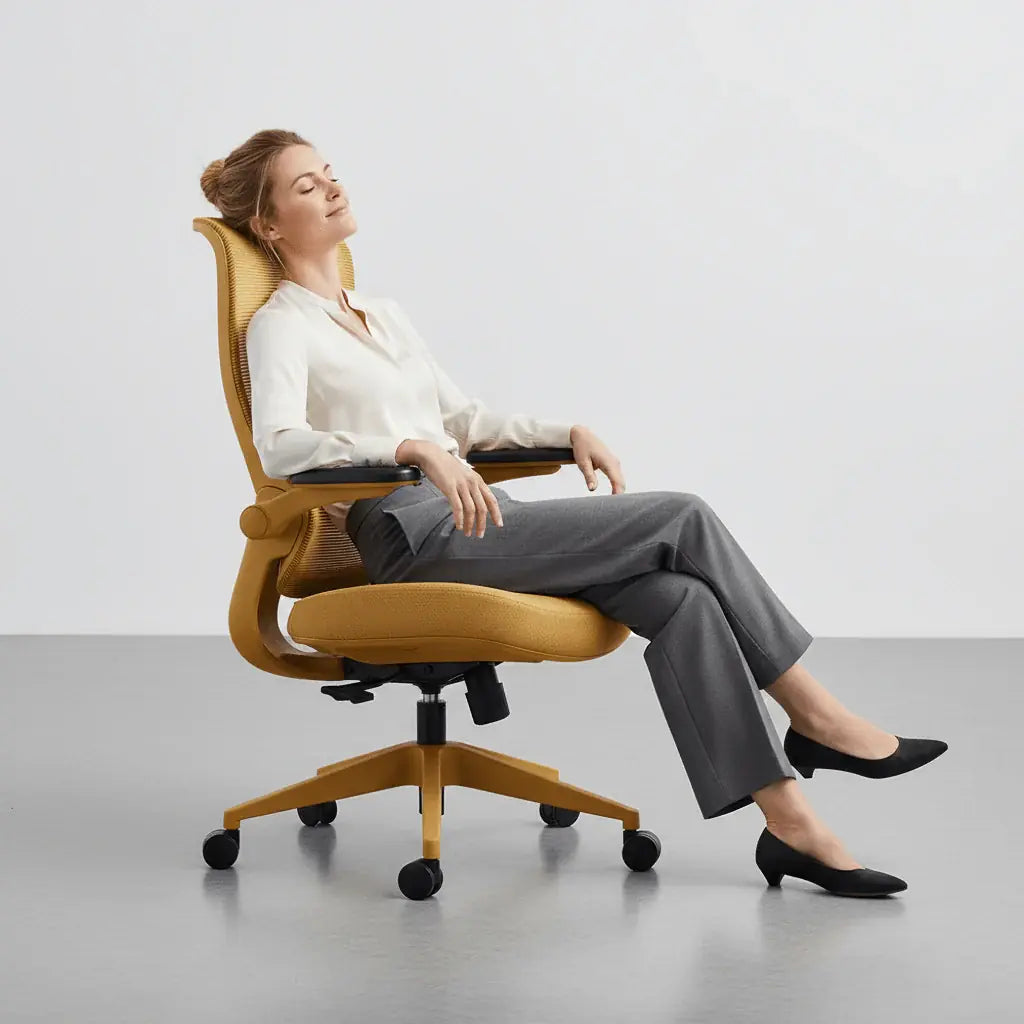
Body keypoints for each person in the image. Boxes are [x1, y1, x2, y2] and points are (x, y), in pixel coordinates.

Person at [199, 129, 947, 897]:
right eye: (304, 187)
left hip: (475, 519)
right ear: (268, 226)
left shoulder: (383, 316)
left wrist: (565, 433)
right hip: (407, 533)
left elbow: (465, 420)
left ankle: (794, 830)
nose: (331, 188)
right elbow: (282, 446)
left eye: (330, 174)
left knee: (681, 598)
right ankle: (821, 719)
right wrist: (408, 447)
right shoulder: (281, 324)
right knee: (681, 518)